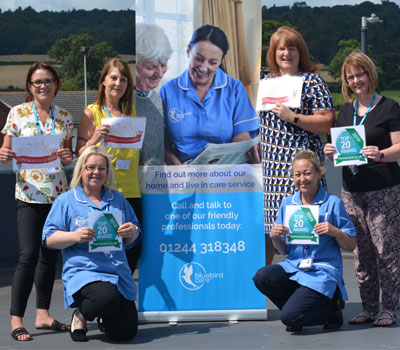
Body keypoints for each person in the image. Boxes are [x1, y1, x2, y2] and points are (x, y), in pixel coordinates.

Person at [324, 50, 400, 327]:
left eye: (360, 74)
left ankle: (389, 308)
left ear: (370, 74)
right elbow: (340, 148)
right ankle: (368, 307)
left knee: (386, 252)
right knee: (361, 253)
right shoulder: (345, 110)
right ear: (346, 82)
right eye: (351, 77)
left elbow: (399, 147)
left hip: (384, 190)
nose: (357, 80)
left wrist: (379, 154)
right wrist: (330, 151)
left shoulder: (389, 107)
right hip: (352, 191)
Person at [0, 62, 73, 341]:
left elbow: (67, 155)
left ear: (56, 83)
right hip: (29, 196)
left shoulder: (65, 117)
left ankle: (43, 315)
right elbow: (6, 150)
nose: (43, 86)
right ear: (29, 87)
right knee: (28, 256)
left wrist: (68, 157)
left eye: (48, 80)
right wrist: (4, 154)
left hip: (57, 196)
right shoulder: (17, 114)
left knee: (48, 259)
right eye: (37, 82)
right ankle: (16, 319)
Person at [42, 146, 141, 342]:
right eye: (90, 167)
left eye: (102, 168)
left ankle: (106, 314)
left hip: (117, 272)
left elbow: (135, 235)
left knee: (125, 333)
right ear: (81, 170)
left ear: (107, 172)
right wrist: (75, 236)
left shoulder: (118, 198)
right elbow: (49, 240)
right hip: (85, 271)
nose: (96, 172)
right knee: (105, 296)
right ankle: (81, 315)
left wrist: (132, 231)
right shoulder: (66, 201)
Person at [253, 150, 357, 332]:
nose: (303, 179)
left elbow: (351, 245)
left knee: (289, 318)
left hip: (322, 271)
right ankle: (300, 307)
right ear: (292, 177)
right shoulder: (287, 203)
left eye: (308, 173)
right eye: (298, 174)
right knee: (262, 277)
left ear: (319, 173)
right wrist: (275, 236)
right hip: (295, 267)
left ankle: (332, 308)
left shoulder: (332, 203)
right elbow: (284, 251)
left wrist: (334, 231)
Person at [259, 26, 335, 265]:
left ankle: (310, 288)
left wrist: (293, 117)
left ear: (300, 52)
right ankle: (263, 294)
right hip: (270, 173)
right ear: (273, 53)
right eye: (281, 49)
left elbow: (327, 122)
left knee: (304, 231)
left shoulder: (312, 81)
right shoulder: (263, 81)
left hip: (301, 172)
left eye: (291, 48)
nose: (286, 54)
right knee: (269, 232)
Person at [76, 58, 142, 275]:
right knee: (106, 249)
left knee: (134, 247)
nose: (118, 83)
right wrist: (94, 138)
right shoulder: (91, 112)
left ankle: (120, 296)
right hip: (105, 192)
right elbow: (79, 153)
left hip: (131, 189)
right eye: (113, 77)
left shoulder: (131, 111)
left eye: (123, 79)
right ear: (103, 80)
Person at [160, 24, 260, 165]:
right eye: (199, 59)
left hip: (226, 173)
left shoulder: (235, 89)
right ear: (188, 52)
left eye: (212, 62)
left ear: (220, 61)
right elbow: (161, 142)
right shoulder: (167, 91)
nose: (203, 68)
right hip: (184, 172)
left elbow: (241, 139)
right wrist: (178, 169)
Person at [136, 22, 172, 165]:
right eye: (151, 67)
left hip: (157, 183)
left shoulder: (157, 99)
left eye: (163, 64)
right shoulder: (121, 101)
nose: (160, 73)